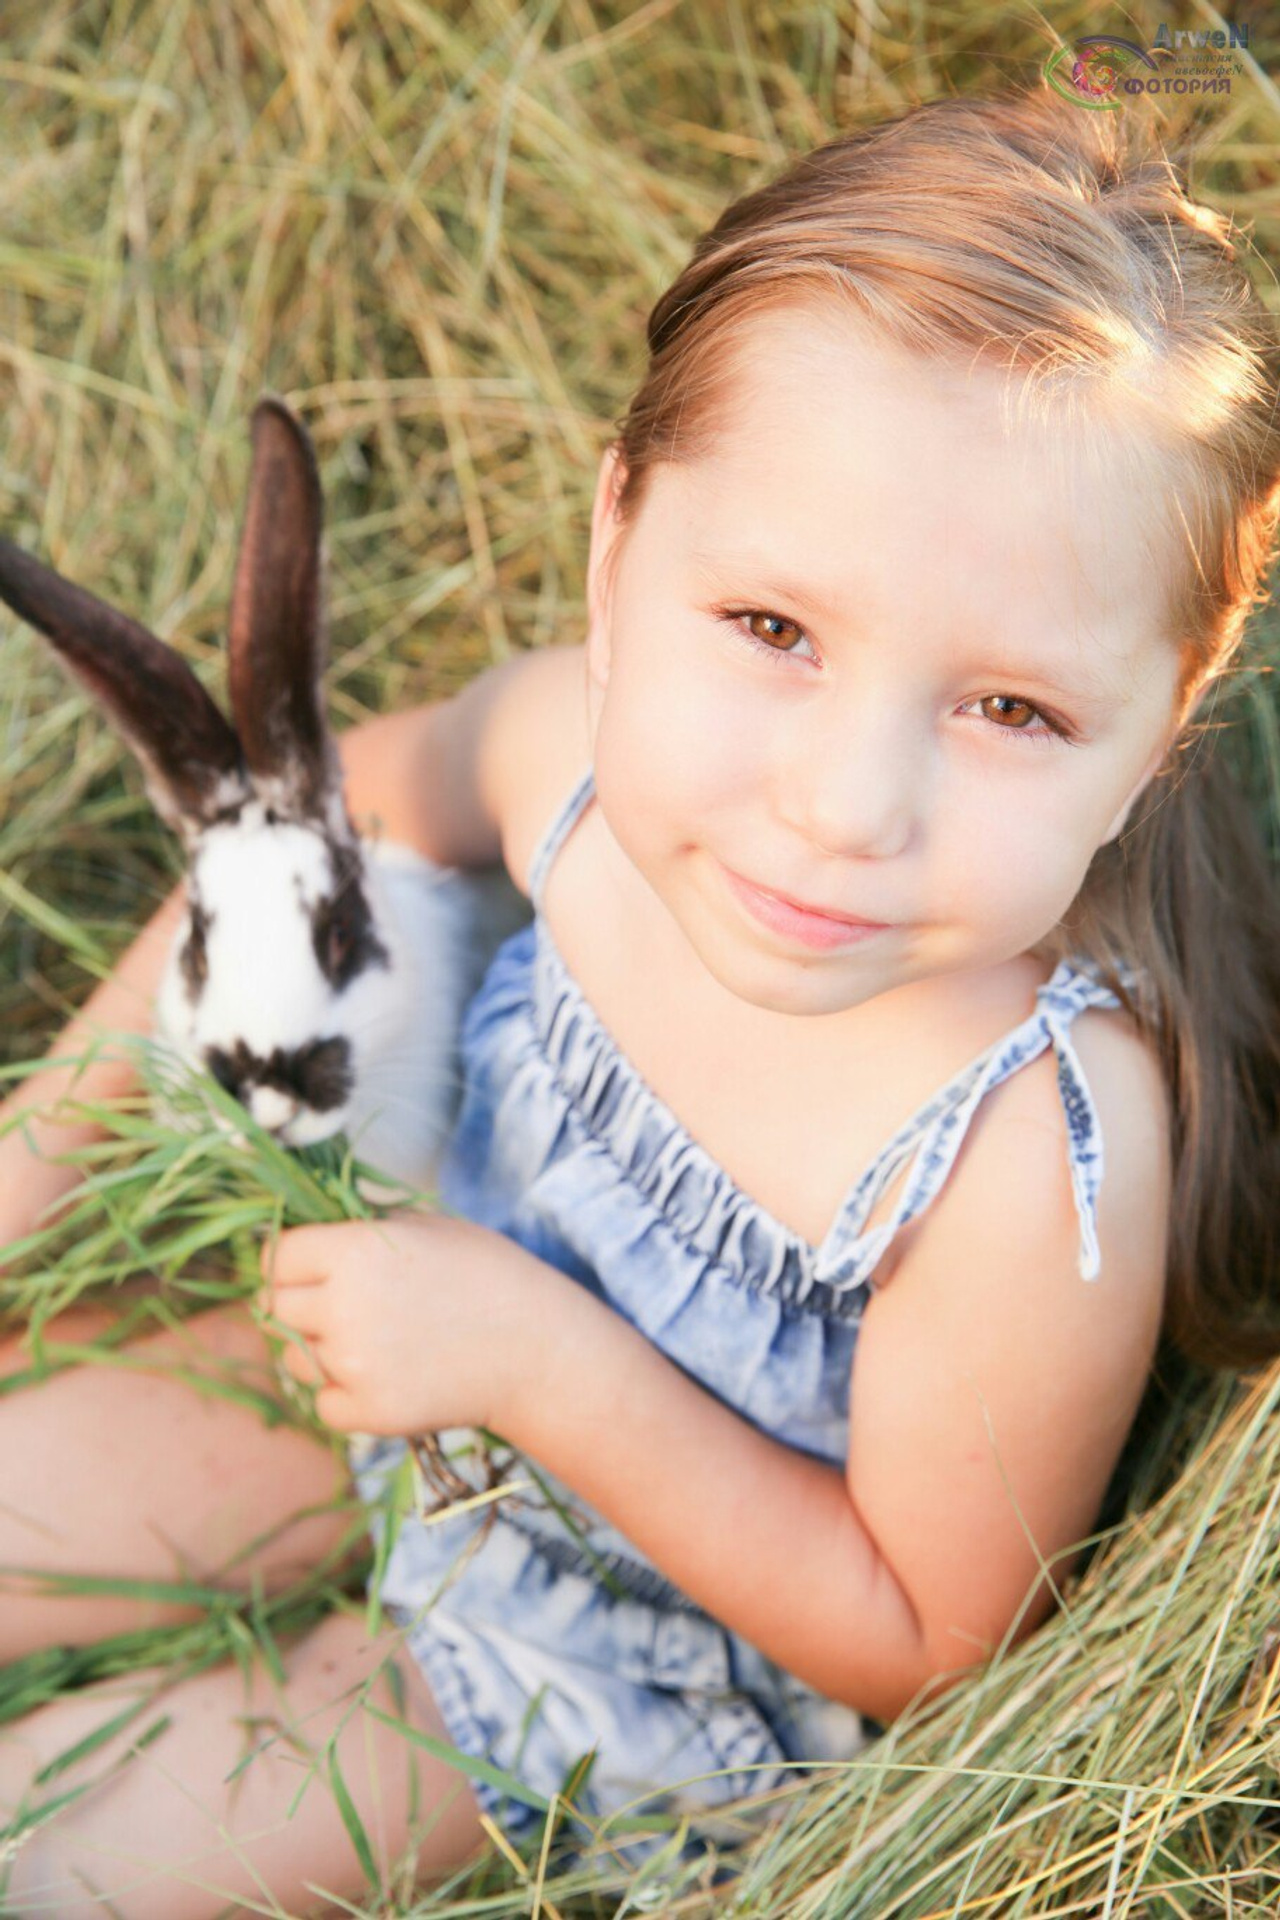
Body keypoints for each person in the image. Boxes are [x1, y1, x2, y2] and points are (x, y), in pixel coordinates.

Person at [3, 80, 1280, 1918]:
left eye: (1012, 709)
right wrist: (30, 1171)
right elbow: (301, 836)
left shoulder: (1022, 1160)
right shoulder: (565, 774)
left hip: (606, 1659)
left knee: (52, 1852)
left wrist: (533, 1363)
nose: (847, 806)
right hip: (369, 1364)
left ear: (1161, 730)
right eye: (774, 630)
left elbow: (926, 1641)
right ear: (619, 545)